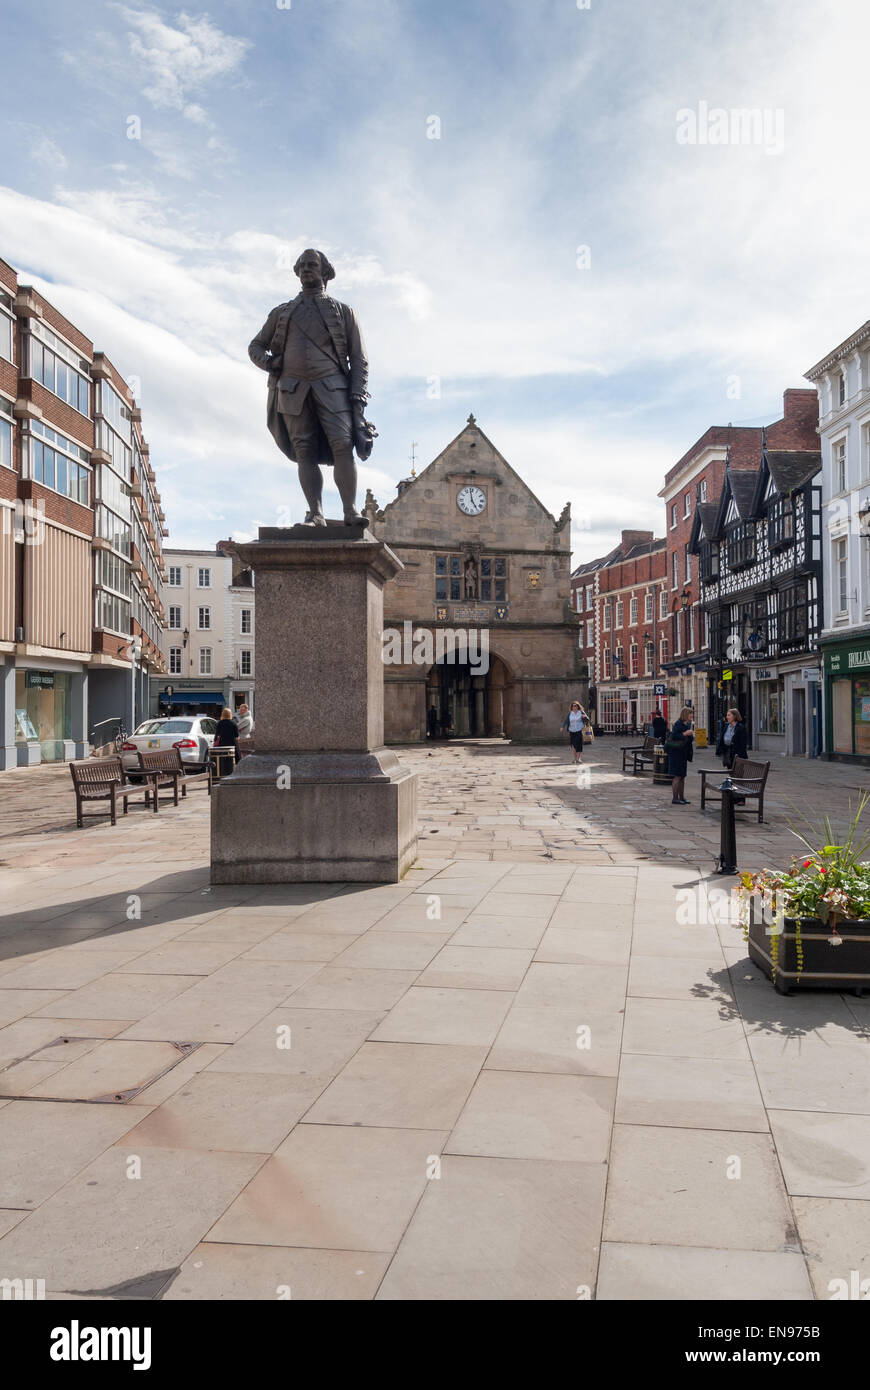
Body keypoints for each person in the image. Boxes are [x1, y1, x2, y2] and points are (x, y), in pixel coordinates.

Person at [248, 248, 375, 527]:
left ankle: (350, 511)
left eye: (312, 265)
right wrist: (270, 363)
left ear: (325, 272)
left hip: (333, 388)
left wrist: (357, 399)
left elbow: (359, 358)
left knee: (343, 445)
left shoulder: (343, 311)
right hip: (293, 390)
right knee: (303, 451)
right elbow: (255, 346)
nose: (306, 269)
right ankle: (315, 514)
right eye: (302, 266)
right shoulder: (281, 313)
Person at [666, 705, 695, 804]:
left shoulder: (686, 724)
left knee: (682, 776)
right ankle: (675, 798)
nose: (692, 716)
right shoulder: (678, 724)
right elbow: (674, 736)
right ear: (686, 715)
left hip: (683, 753)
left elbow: (688, 740)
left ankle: (682, 797)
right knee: (677, 776)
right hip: (676, 753)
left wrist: (691, 735)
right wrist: (685, 734)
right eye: (690, 715)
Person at [560, 700, 589, 765]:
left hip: (579, 730)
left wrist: (584, 717)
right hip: (572, 730)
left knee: (579, 744)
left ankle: (578, 758)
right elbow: (566, 720)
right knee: (573, 745)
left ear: (578, 707)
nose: (574, 707)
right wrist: (562, 726)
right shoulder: (570, 713)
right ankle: (575, 758)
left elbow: (588, 719)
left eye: (576, 706)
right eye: (573, 706)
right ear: (571, 707)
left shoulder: (581, 712)